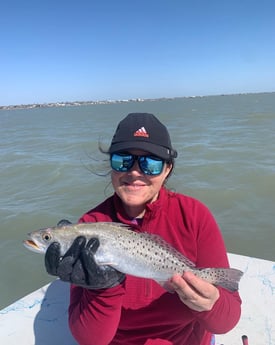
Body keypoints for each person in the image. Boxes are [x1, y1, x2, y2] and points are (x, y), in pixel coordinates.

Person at [45, 113, 242, 345]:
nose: (135, 172)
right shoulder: (90, 226)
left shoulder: (195, 215)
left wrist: (210, 303)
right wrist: (102, 289)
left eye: (151, 163)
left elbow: (225, 323)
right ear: (111, 166)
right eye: (122, 160)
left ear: (167, 169)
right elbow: (91, 340)